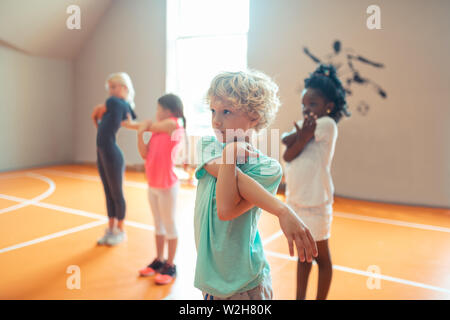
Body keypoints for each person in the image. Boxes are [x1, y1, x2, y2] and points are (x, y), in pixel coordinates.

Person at [194, 70, 318, 300]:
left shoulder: (268, 169)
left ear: (254, 117)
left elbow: (226, 209)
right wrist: (281, 209)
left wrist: (230, 157)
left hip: (244, 285)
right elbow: (224, 174)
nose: (216, 120)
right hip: (210, 280)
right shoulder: (208, 146)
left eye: (226, 111)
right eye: (213, 110)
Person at [281, 64, 351, 300]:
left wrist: (300, 136)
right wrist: (301, 137)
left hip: (317, 203)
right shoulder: (307, 129)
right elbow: (287, 151)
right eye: (303, 105)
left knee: (322, 258)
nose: (306, 109)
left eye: (313, 104)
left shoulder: (327, 124)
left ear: (328, 106)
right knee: (303, 257)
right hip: (298, 203)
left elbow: (290, 138)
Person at [122, 93, 186, 285]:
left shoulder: (174, 124)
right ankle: (159, 260)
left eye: (159, 109)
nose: (156, 112)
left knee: (169, 225)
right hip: (153, 184)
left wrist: (136, 125)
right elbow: (144, 153)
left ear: (170, 111)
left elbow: (147, 125)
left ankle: (171, 264)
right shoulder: (156, 131)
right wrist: (139, 131)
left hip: (168, 185)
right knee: (158, 224)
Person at [91, 72, 137, 246]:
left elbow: (130, 118)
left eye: (113, 87)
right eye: (109, 88)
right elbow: (130, 116)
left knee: (116, 193)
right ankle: (110, 229)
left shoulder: (113, 103)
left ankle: (120, 229)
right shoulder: (119, 105)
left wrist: (100, 111)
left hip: (112, 154)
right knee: (108, 192)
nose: (110, 92)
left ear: (124, 87)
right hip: (101, 152)